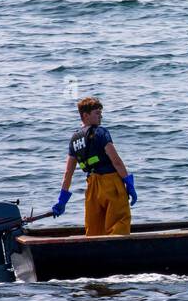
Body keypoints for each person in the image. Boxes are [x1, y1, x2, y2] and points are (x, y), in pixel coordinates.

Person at [50, 97, 137, 236]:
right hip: (111, 184)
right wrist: (129, 183)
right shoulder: (101, 132)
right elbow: (116, 161)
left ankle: (95, 254)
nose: (100, 116)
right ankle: (117, 254)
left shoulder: (74, 139)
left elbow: (68, 173)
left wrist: (62, 200)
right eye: (97, 113)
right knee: (119, 223)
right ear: (85, 115)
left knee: (95, 230)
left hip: (92, 189)